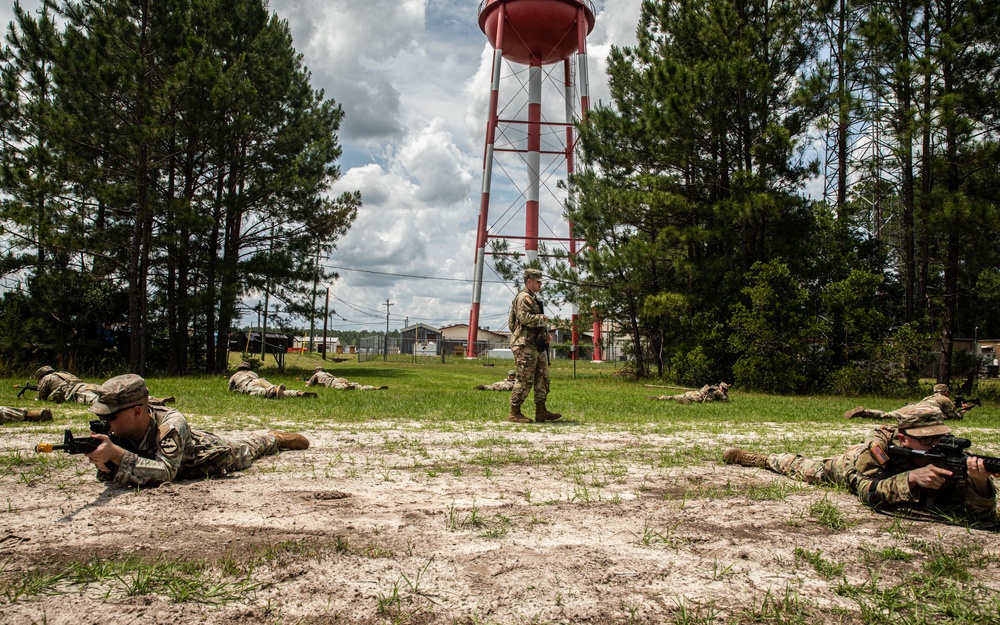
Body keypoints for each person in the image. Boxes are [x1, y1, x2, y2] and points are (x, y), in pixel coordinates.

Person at [723, 412, 996, 517]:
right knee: (807, 468)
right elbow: (867, 489)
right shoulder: (877, 450)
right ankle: (762, 459)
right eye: (926, 441)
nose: (935, 445)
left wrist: (980, 482)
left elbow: (980, 515)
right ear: (902, 439)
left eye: (940, 438)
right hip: (852, 466)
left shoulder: (948, 457)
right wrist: (912, 479)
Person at [81, 374, 310, 487]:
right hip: (175, 458)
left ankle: (274, 438)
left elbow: (165, 472)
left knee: (247, 449)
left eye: (109, 417)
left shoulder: (171, 424)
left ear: (137, 412)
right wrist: (105, 463)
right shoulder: (118, 433)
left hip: (206, 455)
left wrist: (117, 456)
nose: (104, 422)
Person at [507, 268, 560, 423]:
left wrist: (545, 335)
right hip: (525, 345)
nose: (540, 284)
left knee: (542, 377)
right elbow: (523, 318)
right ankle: (514, 412)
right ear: (529, 281)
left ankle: (541, 411)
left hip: (535, 344)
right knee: (524, 378)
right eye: (538, 281)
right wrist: (543, 319)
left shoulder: (533, 298)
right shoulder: (524, 298)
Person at [843, 383, 966, 420]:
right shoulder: (945, 399)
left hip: (916, 405)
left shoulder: (928, 397)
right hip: (927, 411)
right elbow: (952, 416)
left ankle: (866, 412)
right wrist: (963, 411)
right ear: (945, 392)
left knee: (890, 414)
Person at [228, 362, 317, 398]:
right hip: (260, 380)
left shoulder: (236, 374)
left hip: (249, 383)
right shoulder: (253, 373)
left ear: (239, 368)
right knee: (278, 392)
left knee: (260, 392)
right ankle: (298, 393)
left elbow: (230, 389)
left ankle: (274, 390)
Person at [34, 366, 102, 405]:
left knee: (99, 402)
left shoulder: (46, 378)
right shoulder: (63, 373)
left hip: (76, 392)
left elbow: (41, 396)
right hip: (85, 386)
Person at [305, 365, 388, 391]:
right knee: (356, 385)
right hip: (338, 379)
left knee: (340, 387)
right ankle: (373, 388)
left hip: (331, 382)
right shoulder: (327, 373)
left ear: (316, 371)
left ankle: (346, 387)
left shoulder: (317, 374)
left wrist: (307, 383)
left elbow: (310, 385)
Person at [649, 382, 729, 404]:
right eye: (723, 389)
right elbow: (725, 400)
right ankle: (685, 401)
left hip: (695, 392)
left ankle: (661, 398)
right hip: (698, 396)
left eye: (725, 390)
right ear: (720, 386)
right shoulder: (718, 391)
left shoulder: (712, 388)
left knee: (675, 396)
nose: (724, 391)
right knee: (691, 400)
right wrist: (726, 395)